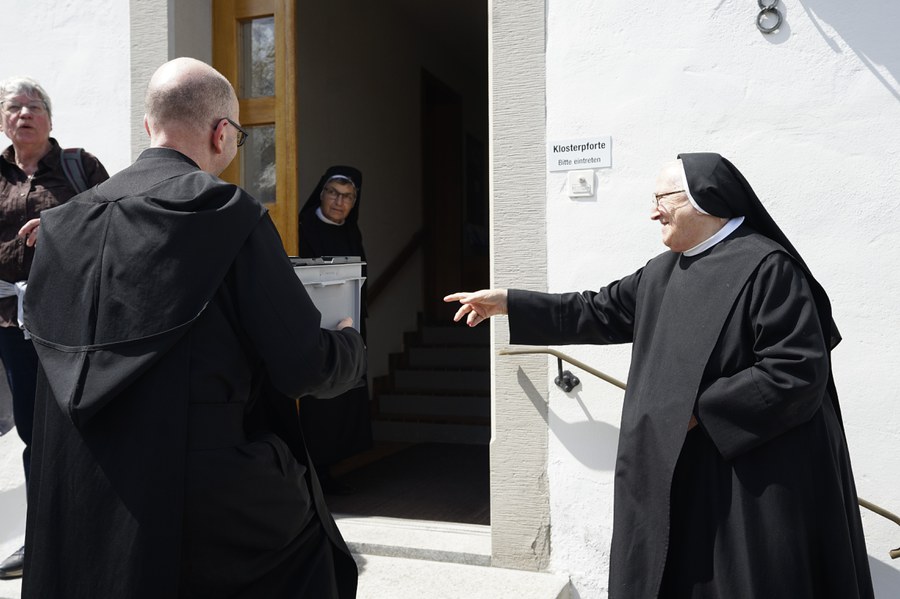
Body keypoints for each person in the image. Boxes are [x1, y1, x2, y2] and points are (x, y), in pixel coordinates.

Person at [445, 153, 874, 599]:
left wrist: (697, 412)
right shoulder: (661, 272)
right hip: (672, 463)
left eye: (662, 199)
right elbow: (597, 310)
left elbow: (796, 372)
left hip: (748, 476)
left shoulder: (767, 267)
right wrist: (510, 302)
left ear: (705, 200)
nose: (653, 212)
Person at [20, 57, 366, 599]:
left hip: (76, 483)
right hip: (197, 482)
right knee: (312, 547)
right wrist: (348, 342)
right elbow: (303, 364)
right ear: (222, 133)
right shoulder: (226, 211)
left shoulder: (61, 225)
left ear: (147, 128)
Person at [0, 76, 109, 580]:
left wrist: (61, 224)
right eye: (13, 107)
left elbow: (119, 217)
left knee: (83, 422)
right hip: (9, 322)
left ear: (51, 117)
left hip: (71, 319)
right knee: (31, 428)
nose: (24, 113)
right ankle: (41, 537)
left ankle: (97, 532)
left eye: (34, 105)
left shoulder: (79, 167)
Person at [297, 166, 371, 494]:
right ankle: (313, 473)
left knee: (343, 398)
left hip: (349, 327)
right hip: (314, 330)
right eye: (333, 193)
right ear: (321, 193)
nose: (339, 202)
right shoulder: (302, 227)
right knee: (317, 401)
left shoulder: (352, 233)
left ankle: (330, 467)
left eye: (347, 197)